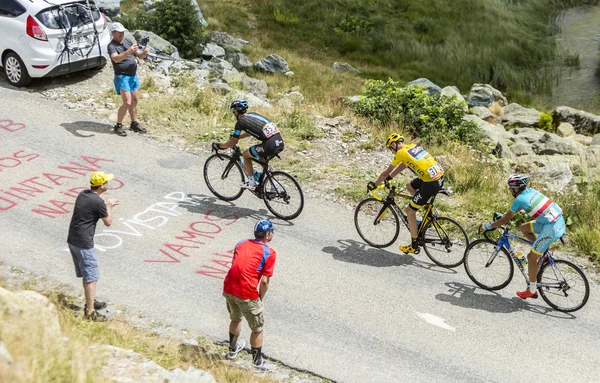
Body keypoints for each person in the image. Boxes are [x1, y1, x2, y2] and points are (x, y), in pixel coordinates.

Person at [479, 174, 566, 300]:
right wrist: (504, 215)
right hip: (557, 222)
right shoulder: (532, 192)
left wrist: (489, 226)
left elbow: (505, 220)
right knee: (523, 228)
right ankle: (541, 251)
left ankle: (532, 290)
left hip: (551, 229)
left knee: (531, 257)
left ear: (516, 188)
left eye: (510, 188)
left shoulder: (519, 199)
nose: (510, 190)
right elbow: (516, 210)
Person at [367, 133, 445, 254]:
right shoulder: (412, 147)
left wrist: (375, 184)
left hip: (431, 183)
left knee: (409, 211)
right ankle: (424, 215)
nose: (392, 152)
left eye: (391, 149)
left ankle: (414, 245)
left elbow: (385, 172)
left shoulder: (400, 153)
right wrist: (390, 177)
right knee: (409, 186)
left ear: (394, 144)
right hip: (438, 176)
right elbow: (404, 164)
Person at [222, 219, 277, 372]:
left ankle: (232, 351)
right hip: (247, 292)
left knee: (235, 318)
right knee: (257, 327)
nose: (273, 233)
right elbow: (265, 282)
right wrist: (260, 299)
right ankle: (257, 363)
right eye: (272, 231)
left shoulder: (241, 243)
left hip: (229, 288)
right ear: (266, 235)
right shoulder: (269, 252)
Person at [67, 171, 119, 321]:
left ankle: (91, 300)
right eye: (106, 182)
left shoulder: (83, 194)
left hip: (73, 240)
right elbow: (108, 222)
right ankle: (89, 312)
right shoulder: (98, 202)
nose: (108, 184)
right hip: (83, 244)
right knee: (91, 276)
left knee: (87, 274)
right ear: (102, 185)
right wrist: (109, 205)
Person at [213, 99, 284, 189]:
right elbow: (250, 132)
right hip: (279, 142)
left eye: (233, 111)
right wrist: (238, 137)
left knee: (246, 155)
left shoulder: (240, 122)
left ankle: (251, 182)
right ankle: (273, 186)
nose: (233, 114)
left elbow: (233, 142)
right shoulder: (253, 115)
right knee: (263, 160)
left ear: (236, 111)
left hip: (269, 144)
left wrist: (219, 146)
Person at [107, 22, 149, 137]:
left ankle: (134, 123)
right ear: (113, 33)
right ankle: (118, 125)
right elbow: (115, 59)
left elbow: (139, 54)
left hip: (132, 75)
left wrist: (143, 53)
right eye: (119, 32)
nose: (122, 34)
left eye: (123, 32)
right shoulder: (112, 46)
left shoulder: (127, 41)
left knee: (134, 100)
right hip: (122, 76)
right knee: (127, 102)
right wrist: (127, 52)